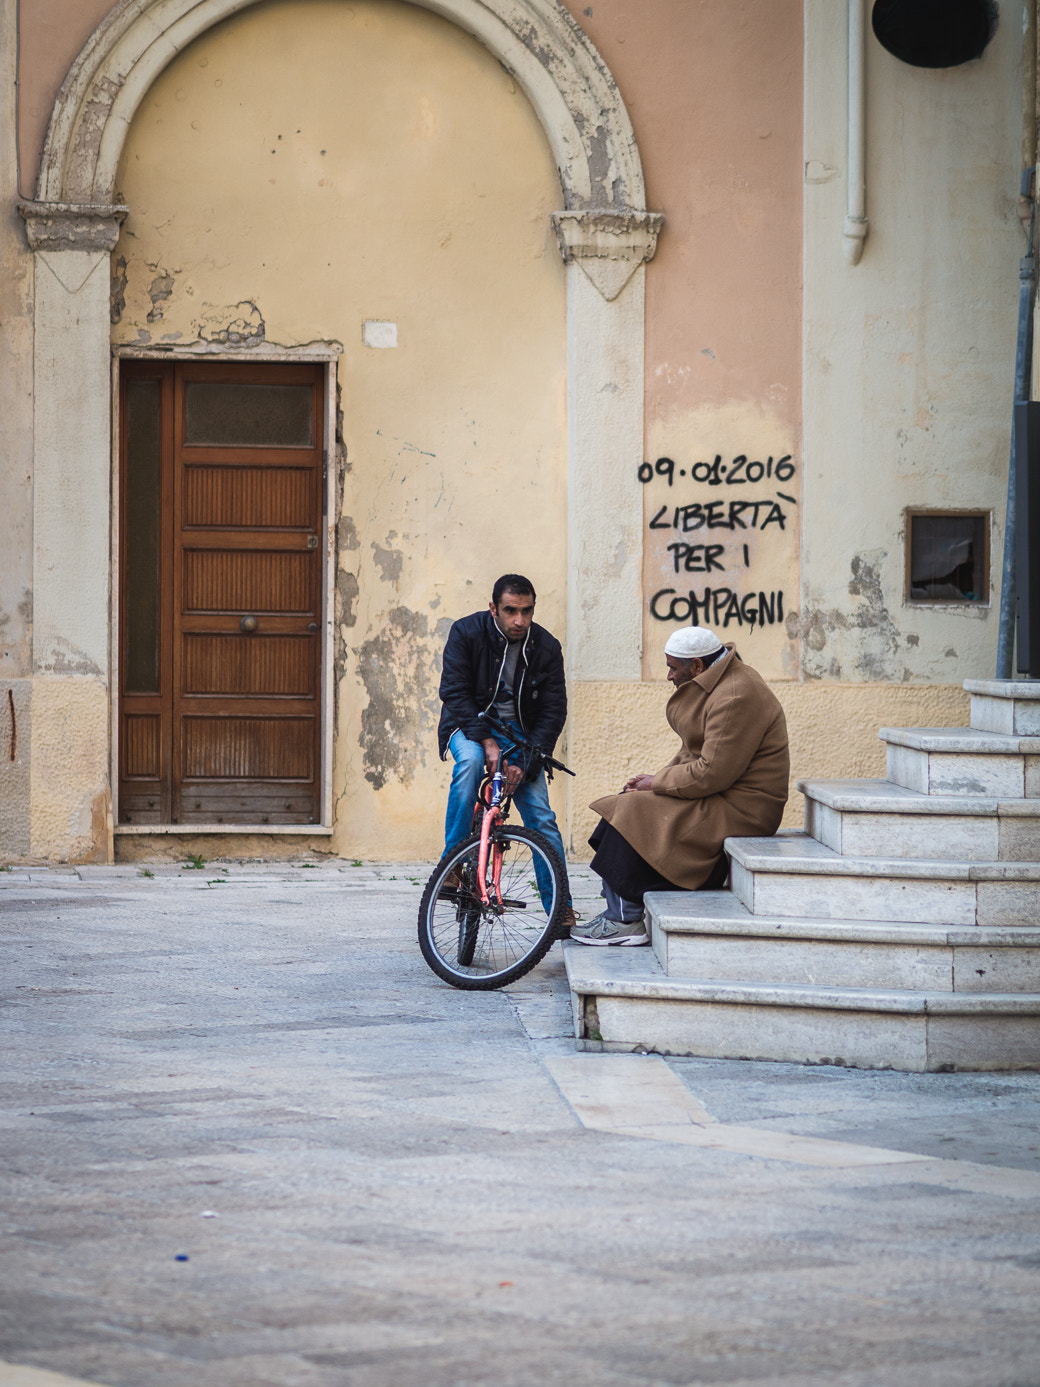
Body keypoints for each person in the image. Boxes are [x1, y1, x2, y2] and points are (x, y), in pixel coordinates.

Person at [569, 625, 790, 946]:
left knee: (631, 812)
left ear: (697, 666)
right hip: (720, 795)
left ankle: (625, 921)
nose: (669, 675)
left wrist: (656, 783)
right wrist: (650, 783)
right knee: (625, 804)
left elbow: (710, 773)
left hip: (744, 807)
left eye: (674, 667)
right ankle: (617, 911)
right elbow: (694, 754)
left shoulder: (735, 694)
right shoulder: (718, 682)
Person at [437, 574, 574, 925]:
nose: (519, 620)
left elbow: (553, 711)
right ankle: (452, 865)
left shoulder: (546, 646)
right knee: (469, 764)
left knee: (541, 816)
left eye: (527, 611)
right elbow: (454, 692)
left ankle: (559, 909)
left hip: (522, 736)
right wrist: (486, 741)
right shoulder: (466, 633)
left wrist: (525, 763)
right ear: (493, 608)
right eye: (511, 611)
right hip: (469, 724)